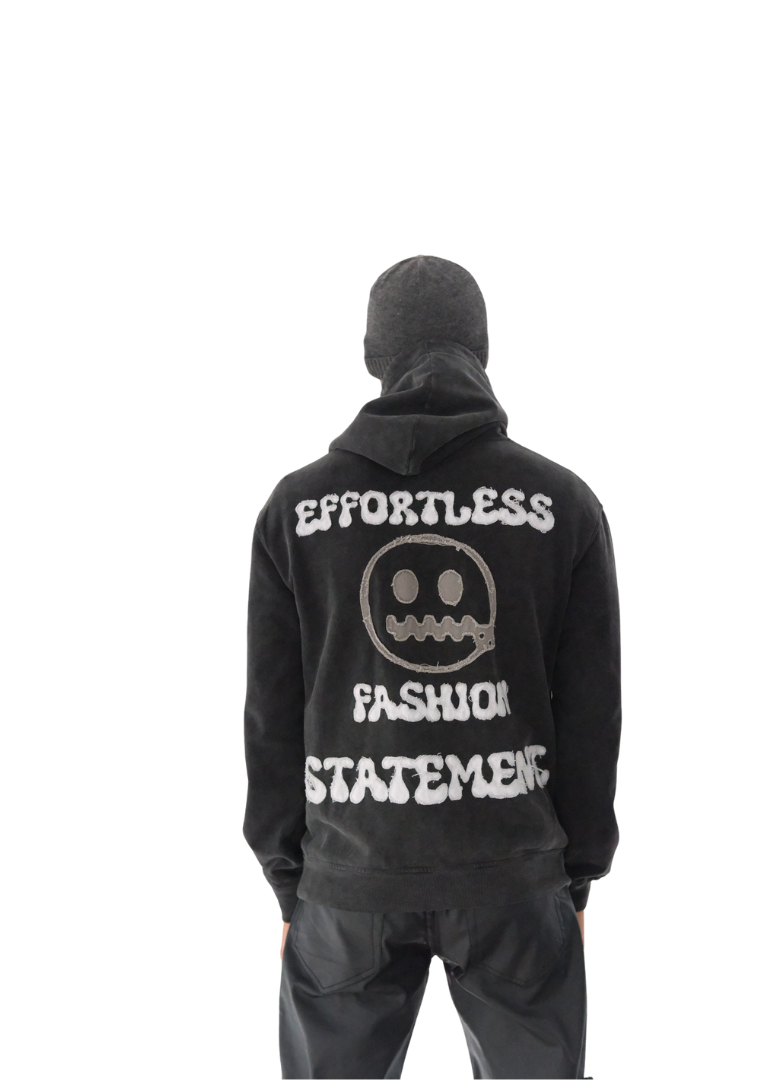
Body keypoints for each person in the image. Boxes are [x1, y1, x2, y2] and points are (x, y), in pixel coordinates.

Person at [243, 256, 621, 1079]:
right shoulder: (561, 504)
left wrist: (289, 882)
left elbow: (272, 716)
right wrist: (576, 881)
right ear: (483, 350)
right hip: (516, 881)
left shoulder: (297, 510)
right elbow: (593, 715)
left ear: (371, 354)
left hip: (348, 882)